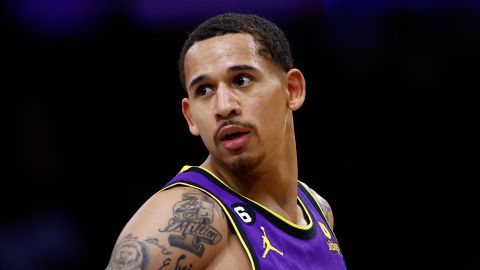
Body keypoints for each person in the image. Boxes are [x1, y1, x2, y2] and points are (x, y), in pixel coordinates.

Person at [106, 12, 347, 270]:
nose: (223, 107)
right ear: (191, 118)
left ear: (292, 90)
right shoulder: (189, 218)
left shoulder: (319, 210)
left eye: (241, 80)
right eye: (204, 90)